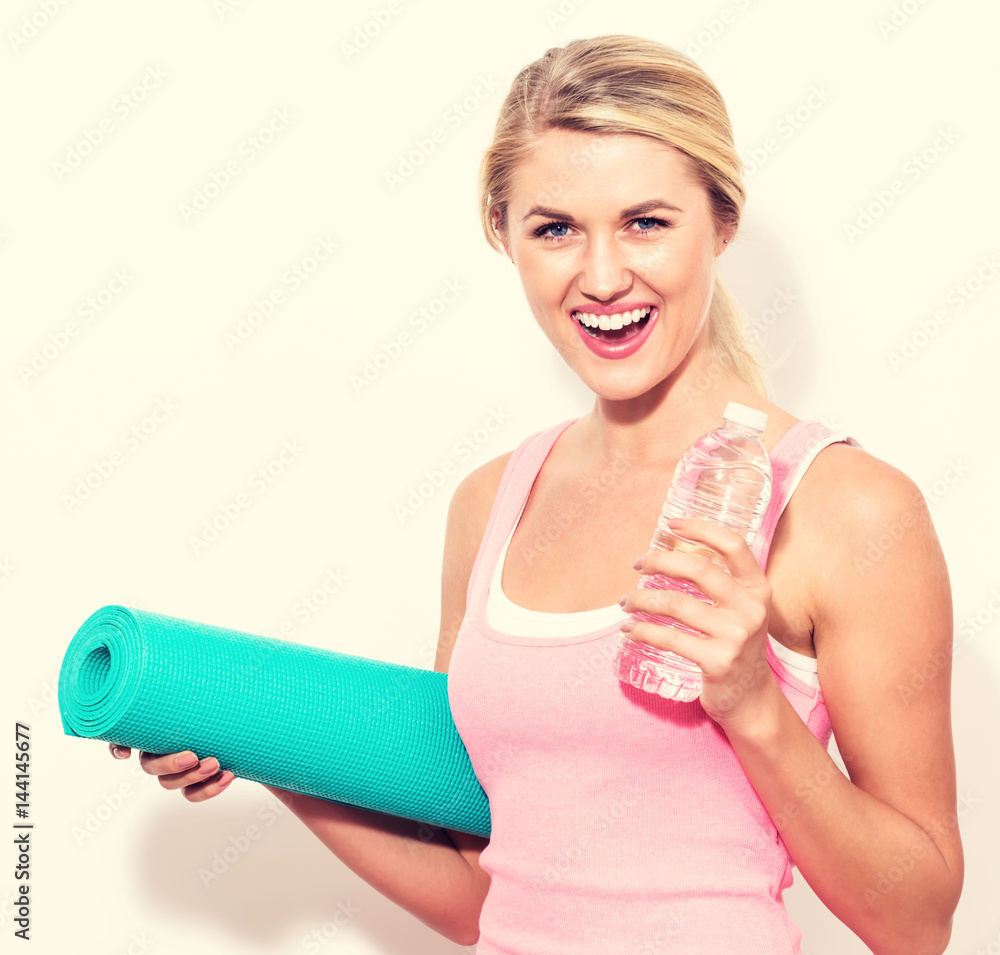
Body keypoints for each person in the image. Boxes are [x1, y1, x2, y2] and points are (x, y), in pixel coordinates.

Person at [109, 34, 963, 954]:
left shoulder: (848, 509)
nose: (600, 278)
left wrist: (753, 702)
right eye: (554, 228)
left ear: (722, 223)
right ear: (504, 234)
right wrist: (265, 747)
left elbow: (915, 923)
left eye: (646, 222)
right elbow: (483, 895)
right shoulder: (491, 503)